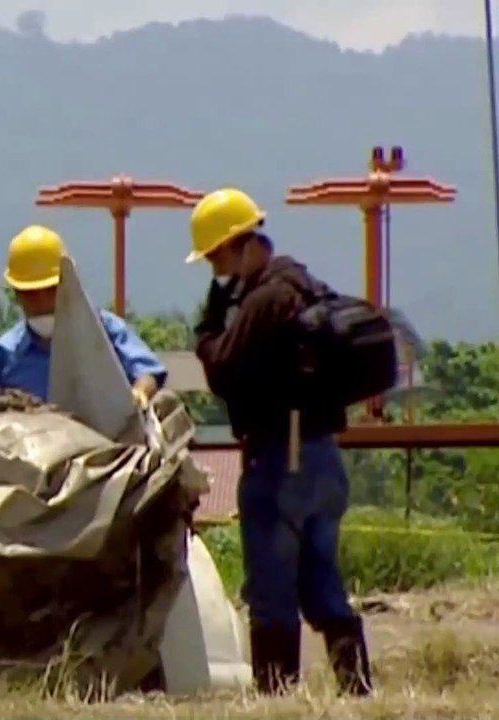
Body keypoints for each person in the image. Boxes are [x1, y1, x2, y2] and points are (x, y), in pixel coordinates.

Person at [186, 188, 373, 696]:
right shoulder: (306, 285)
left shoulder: (266, 299)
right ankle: (356, 689)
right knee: (322, 584)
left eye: (217, 258)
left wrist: (207, 329)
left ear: (239, 245)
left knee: (271, 591)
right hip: (322, 457)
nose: (215, 272)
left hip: (278, 461)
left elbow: (223, 368)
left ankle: (277, 697)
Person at [0, 224, 167, 405]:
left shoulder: (106, 331)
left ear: (69, 283)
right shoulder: (2, 355)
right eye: (32, 293)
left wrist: (139, 393)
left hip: (107, 436)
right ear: (16, 293)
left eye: (51, 290)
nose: (43, 302)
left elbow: (148, 371)